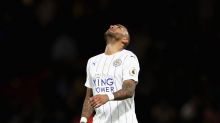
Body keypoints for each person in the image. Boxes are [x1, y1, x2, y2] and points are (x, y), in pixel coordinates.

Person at [80, 24, 140, 123]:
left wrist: (108, 97)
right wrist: (83, 120)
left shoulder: (129, 57)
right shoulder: (92, 61)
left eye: (119, 27)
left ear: (125, 39)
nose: (112, 26)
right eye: (112, 25)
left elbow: (129, 90)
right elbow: (89, 97)